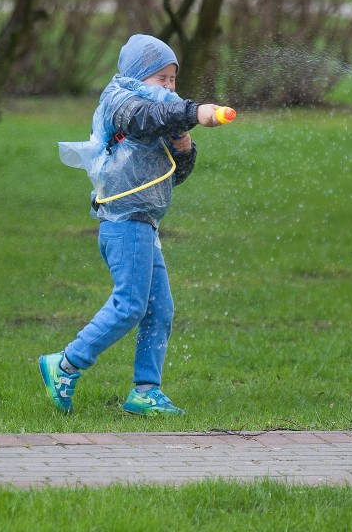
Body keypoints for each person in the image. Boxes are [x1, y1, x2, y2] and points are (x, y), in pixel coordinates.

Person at [39, 34, 227, 416]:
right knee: (129, 306)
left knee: (159, 310)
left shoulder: (160, 115)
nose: (170, 87)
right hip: (123, 224)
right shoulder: (121, 102)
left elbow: (172, 176)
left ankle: (145, 391)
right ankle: (65, 363)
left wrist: (185, 147)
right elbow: (146, 118)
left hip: (145, 224)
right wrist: (193, 111)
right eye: (162, 79)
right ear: (140, 75)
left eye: (173, 79)